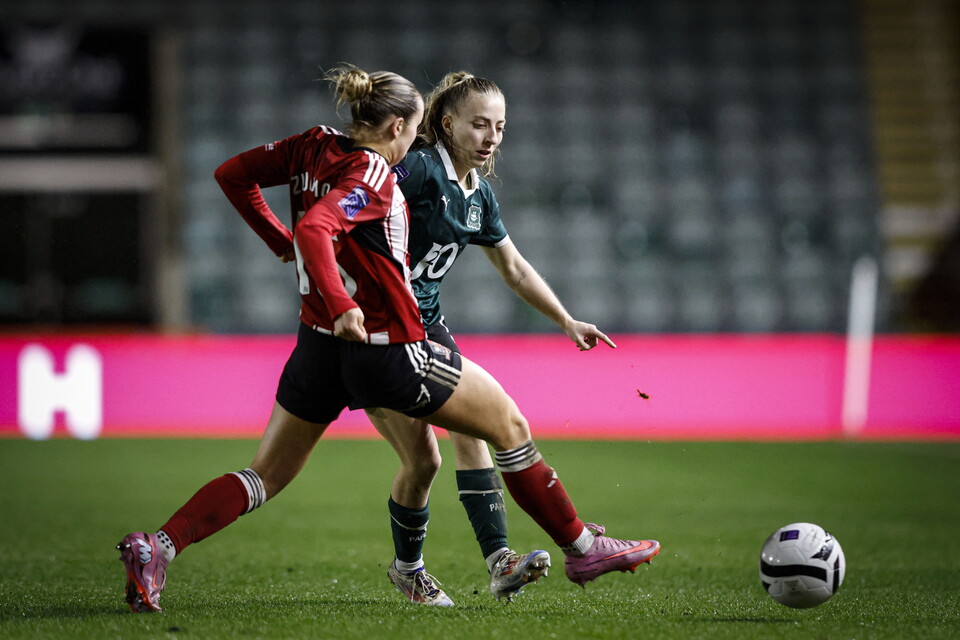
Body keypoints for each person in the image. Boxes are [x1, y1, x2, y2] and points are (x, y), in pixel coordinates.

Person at [116, 64, 659, 614]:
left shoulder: (311, 145)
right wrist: (342, 295)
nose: (489, 137)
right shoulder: (383, 174)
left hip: (321, 343)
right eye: (463, 125)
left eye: (500, 126)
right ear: (404, 126)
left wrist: (282, 245)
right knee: (508, 424)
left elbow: (237, 175)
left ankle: (158, 545)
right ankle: (581, 548)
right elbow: (318, 228)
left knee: (276, 474)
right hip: (390, 344)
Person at [367, 71, 632, 604]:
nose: (492, 137)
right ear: (446, 124)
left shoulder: (478, 195)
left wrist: (566, 320)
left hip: (429, 329)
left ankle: (495, 563)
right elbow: (358, 211)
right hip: (381, 331)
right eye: (480, 124)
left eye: (501, 128)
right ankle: (418, 567)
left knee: (468, 436)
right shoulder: (418, 170)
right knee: (428, 459)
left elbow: (513, 269)